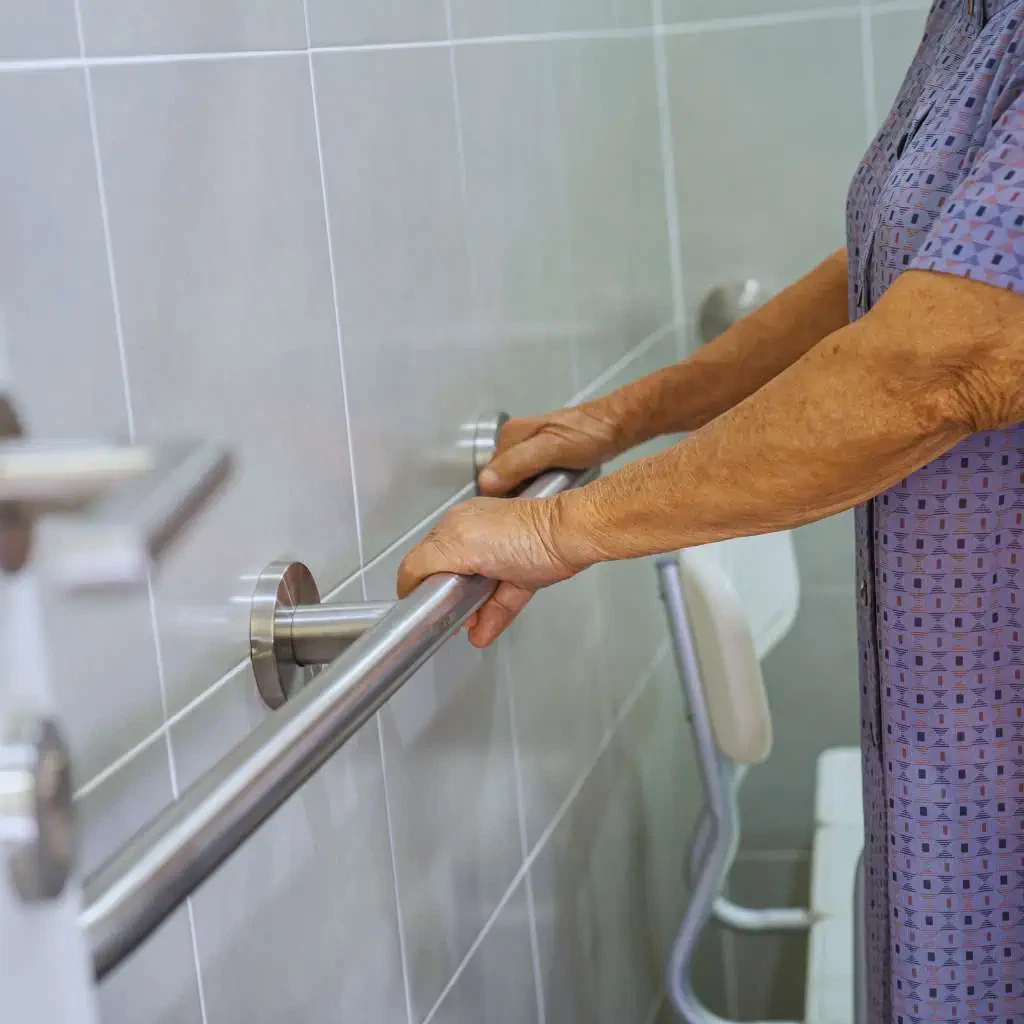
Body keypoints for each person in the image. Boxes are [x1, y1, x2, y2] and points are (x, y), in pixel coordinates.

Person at [398, 1, 1024, 1018]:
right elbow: (898, 273)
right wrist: (623, 416)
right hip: (958, 747)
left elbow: (944, 358)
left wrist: (561, 529)